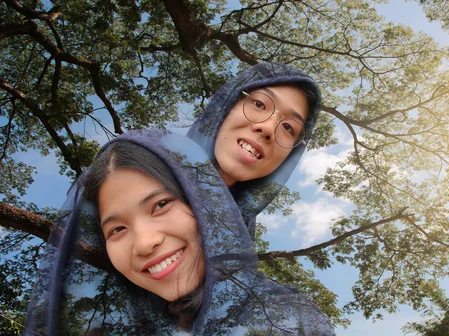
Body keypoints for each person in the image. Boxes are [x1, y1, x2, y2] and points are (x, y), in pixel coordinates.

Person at [25, 129, 335, 335]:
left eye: (160, 205)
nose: (145, 243)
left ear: (205, 208)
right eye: (117, 229)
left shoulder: (286, 320)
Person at [187, 62, 321, 237]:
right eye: (259, 104)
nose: (268, 129)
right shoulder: (145, 167)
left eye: (288, 128)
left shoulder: (240, 239)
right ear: (227, 104)